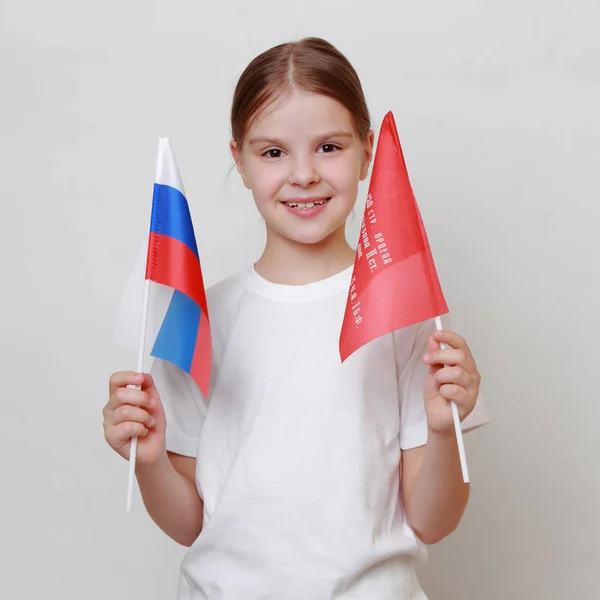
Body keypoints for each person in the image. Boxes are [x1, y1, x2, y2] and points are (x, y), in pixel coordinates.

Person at [103, 37, 489, 599]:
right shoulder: (199, 319)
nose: (303, 174)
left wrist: (440, 429)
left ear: (368, 151)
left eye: (329, 147)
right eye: (273, 152)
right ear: (239, 161)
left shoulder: (405, 311)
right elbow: (190, 525)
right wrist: (151, 459)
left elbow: (434, 520)